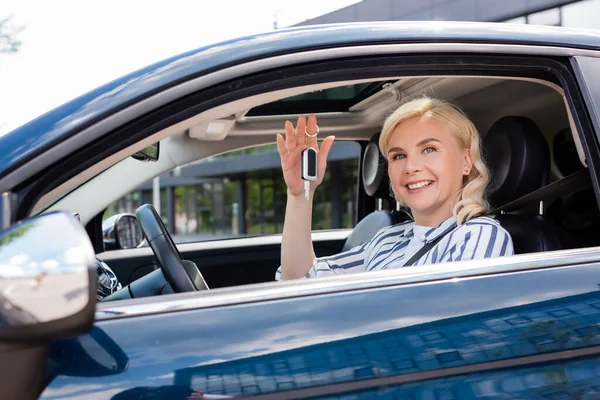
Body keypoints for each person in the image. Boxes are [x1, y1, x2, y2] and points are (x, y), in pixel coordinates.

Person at [275, 96, 513, 280]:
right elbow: (301, 282)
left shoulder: (478, 235)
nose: (410, 166)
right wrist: (299, 195)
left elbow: (452, 329)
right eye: (398, 156)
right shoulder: (387, 239)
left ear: (465, 161)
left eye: (429, 149)